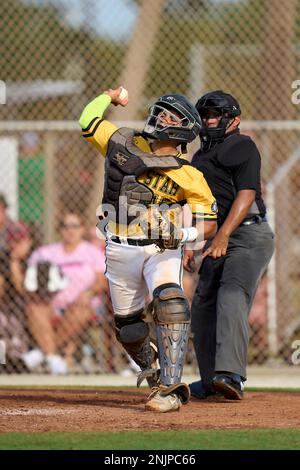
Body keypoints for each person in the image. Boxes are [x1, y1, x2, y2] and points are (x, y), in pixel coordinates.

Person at [79, 86, 217, 412]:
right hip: (118, 246)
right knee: (128, 328)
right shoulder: (122, 141)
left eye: (170, 116)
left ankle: (170, 388)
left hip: (160, 248)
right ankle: (154, 371)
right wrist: (109, 97)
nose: (161, 117)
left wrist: (181, 234)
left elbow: (208, 222)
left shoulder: (188, 174)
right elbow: (87, 120)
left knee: (170, 300)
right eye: (161, 111)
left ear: (183, 128)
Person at [184, 90, 275, 400]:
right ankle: (211, 381)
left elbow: (246, 194)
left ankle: (231, 376)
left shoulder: (242, 145)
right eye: (206, 114)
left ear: (234, 119)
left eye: (216, 114)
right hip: (216, 237)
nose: (210, 119)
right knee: (202, 305)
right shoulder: (198, 157)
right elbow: (200, 206)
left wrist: (222, 236)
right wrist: (191, 242)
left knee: (231, 293)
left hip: (248, 235)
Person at [24, 212, 107, 374]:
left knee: (80, 310)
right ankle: (53, 358)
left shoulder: (91, 252)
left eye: (75, 226)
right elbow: (30, 280)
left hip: (82, 304)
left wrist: (89, 293)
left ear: (82, 229)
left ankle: (44, 354)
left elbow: (101, 281)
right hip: (50, 305)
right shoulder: (45, 252)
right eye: (65, 226)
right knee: (34, 307)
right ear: (59, 230)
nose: (70, 231)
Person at [0, 222, 33, 370]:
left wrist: (14, 261)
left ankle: (17, 358)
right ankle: (3, 360)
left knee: (14, 317)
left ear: (28, 241)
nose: (15, 245)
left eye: (20, 241)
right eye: (13, 241)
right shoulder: (2, 258)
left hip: (23, 304)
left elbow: (23, 290)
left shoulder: (33, 259)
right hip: (5, 304)